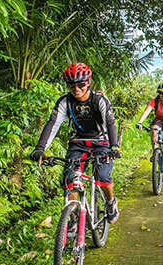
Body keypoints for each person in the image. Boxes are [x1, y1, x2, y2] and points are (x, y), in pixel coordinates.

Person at [29, 62, 121, 223]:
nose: (76, 89)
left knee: (102, 175)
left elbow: (110, 122)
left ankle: (110, 202)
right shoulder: (65, 101)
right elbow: (53, 124)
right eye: (72, 85)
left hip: (102, 142)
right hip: (78, 143)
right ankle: (73, 219)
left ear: (88, 83)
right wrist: (40, 148)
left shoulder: (98, 99)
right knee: (69, 180)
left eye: (81, 85)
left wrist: (114, 147)